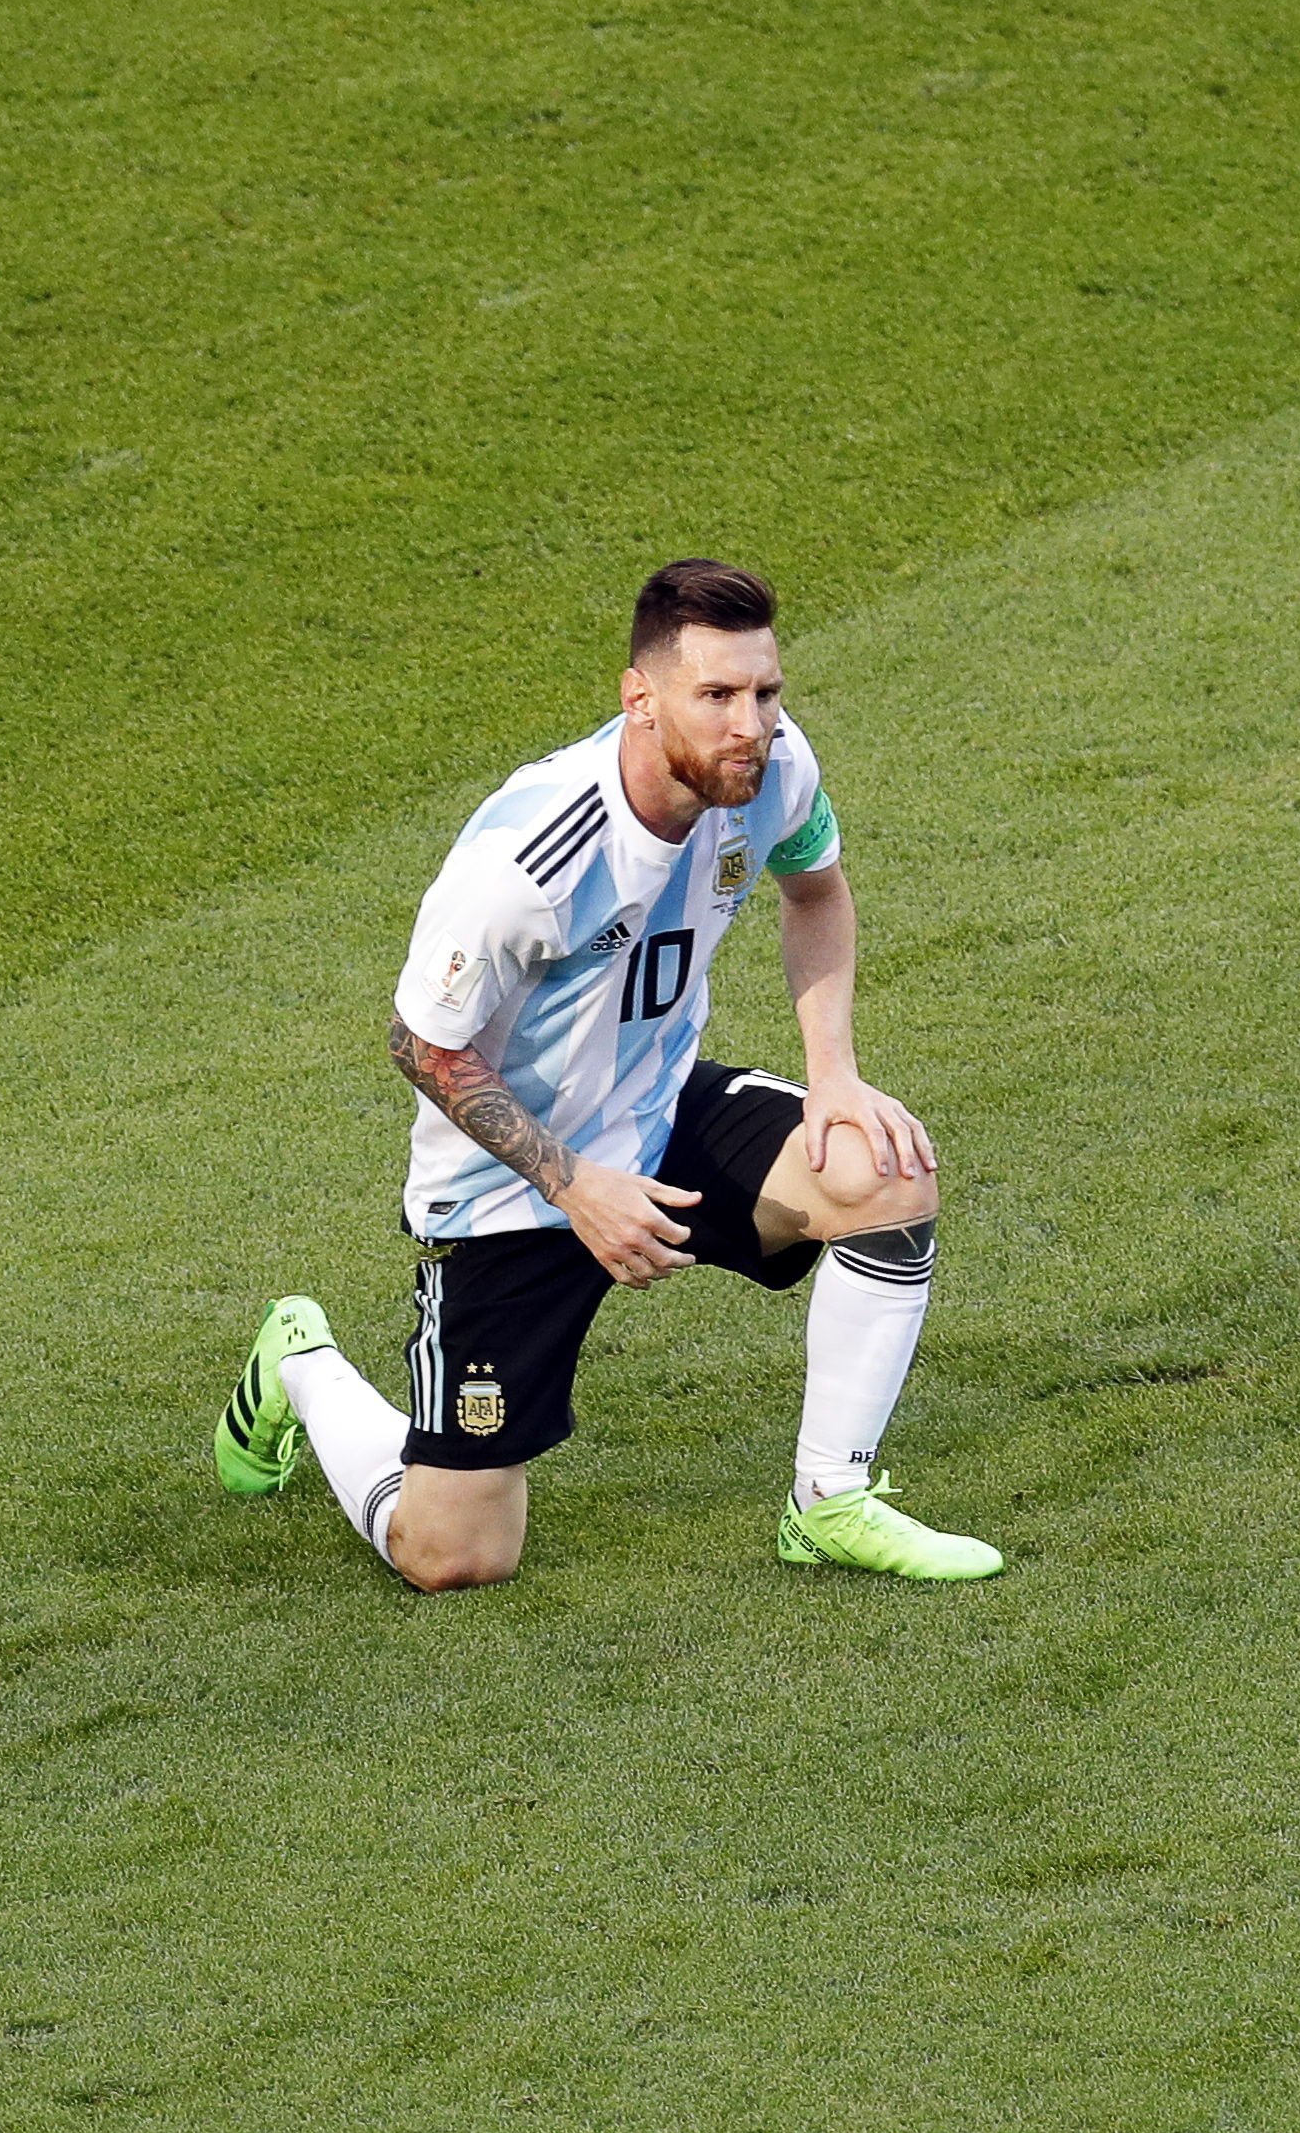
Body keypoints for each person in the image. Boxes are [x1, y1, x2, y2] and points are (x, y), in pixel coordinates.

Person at [211, 558, 1002, 1589]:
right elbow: (421, 1044)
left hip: (660, 1111)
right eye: (716, 696)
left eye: (765, 692)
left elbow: (816, 892)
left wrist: (837, 1076)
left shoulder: (772, 770)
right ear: (640, 698)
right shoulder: (530, 861)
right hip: (509, 1186)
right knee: (454, 1559)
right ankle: (302, 1362)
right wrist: (576, 1185)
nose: (749, 725)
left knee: (883, 1174)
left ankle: (829, 1503)